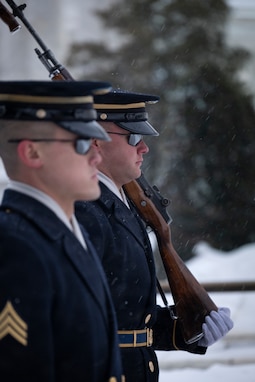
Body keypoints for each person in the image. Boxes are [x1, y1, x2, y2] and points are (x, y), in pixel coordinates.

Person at [75, 89, 234, 382]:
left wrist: (187, 331)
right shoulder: (85, 212)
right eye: (133, 137)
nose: (144, 148)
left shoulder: (120, 205)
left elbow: (126, 315)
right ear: (96, 141)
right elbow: (74, 320)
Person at [0, 81, 124, 382]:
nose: (97, 155)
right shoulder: (16, 247)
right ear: (32, 152)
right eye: (83, 143)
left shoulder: (60, 231)